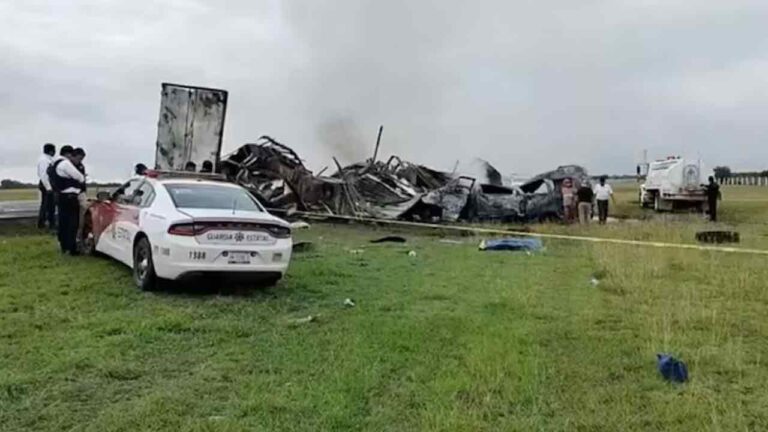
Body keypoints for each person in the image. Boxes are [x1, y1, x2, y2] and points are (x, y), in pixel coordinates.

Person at [53, 148, 86, 255]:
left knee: (63, 222)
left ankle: (64, 245)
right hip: (70, 197)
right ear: (70, 155)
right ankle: (72, 248)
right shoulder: (65, 164)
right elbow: (80, 177)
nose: (79, 162)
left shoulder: (55, 164)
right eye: (79, 158)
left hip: (61, 196)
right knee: (72, 223)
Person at [36, 143, 56, 230]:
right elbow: (43, 175)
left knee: (49, 205)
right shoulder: (44, 160)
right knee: (46, 205)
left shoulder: (48, 160)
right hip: (47, 185)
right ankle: (43, 223)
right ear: (51, 151)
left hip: (48, 184)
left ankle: (47, 223)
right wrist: (48, 187)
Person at [73, 148, 88, 244]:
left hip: (81, 192)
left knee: (83, 212)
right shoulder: (68, 166)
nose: (80, 161)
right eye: (79, 158)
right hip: (72, 192)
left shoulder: (81, 166)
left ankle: (79, 235)